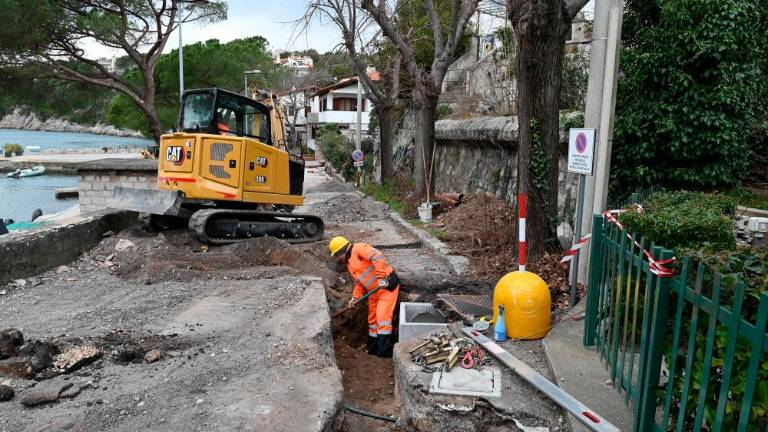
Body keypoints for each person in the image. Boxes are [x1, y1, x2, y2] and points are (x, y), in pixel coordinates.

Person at [329, 236, 401, 358]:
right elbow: (359, 283)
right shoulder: (350, 264)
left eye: (337, 256)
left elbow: (377, 256)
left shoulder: (359, 248)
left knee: (382, 317)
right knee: (372, 320)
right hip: (373, 291)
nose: (338, 260)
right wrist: (355, 298)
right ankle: (373, 349)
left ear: (342, 251)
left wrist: (382, 276)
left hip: (386, 286)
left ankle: (385, 352)